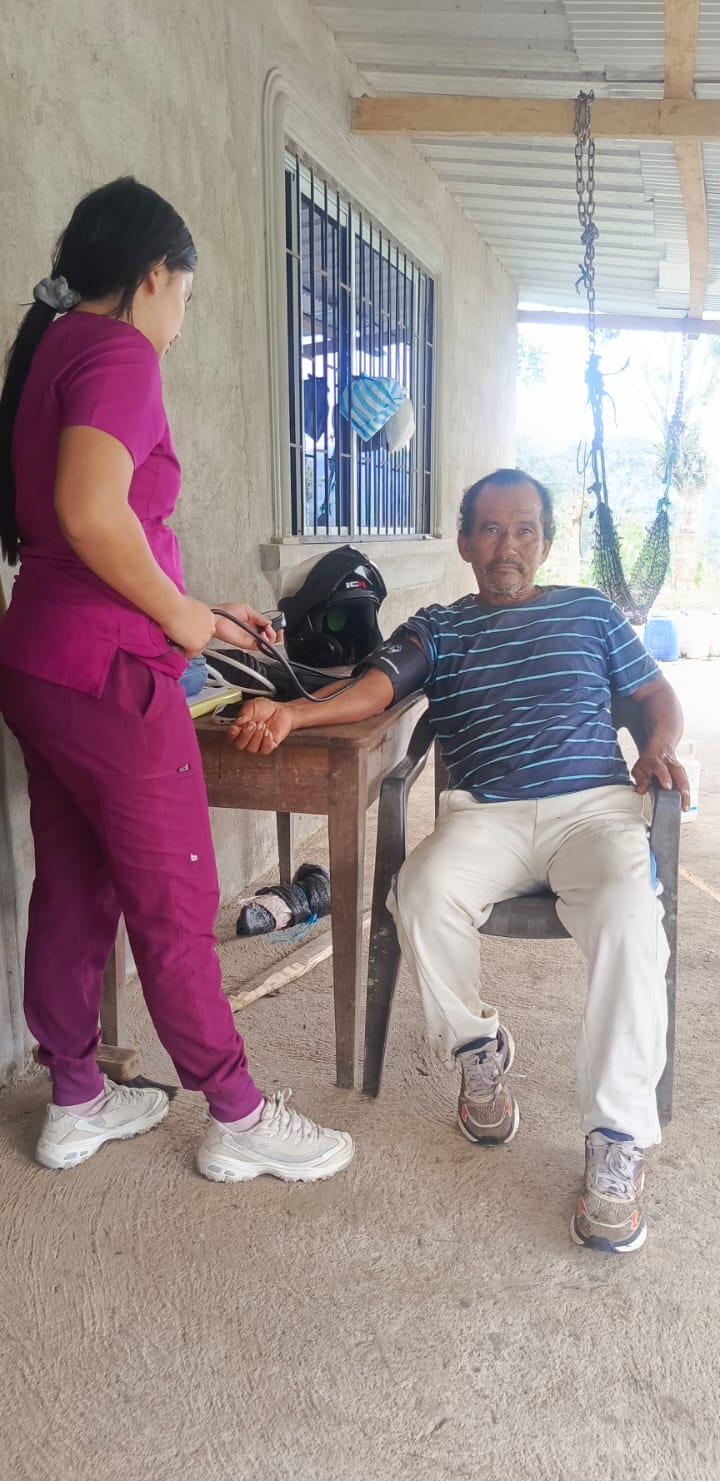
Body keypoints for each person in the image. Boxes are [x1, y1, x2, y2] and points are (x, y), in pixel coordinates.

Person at [230, 468, 689, 1252]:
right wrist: (292, 711)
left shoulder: (591, 611)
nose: (508, 546)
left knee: (628, 913)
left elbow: (655, 696)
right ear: (465, 541)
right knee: (421, 888)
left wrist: (660, 744)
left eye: (524, 530)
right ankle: (479, 1051)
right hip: (487, 815)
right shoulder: (438, 626)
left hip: (594, 809)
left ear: (545, 542)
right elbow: (375, 690)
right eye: (491, 529)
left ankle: (616, 1137)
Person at [0, 176, 353, 1185]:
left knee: (75, 883)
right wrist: (182, 619)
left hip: (42, 660)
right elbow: (91, 513)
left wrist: (196, 606)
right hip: (111, 674)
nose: (182, 321)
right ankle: (235, 1113)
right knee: (174, 893)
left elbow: (85, 534)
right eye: (186, 296)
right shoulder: (119, 351)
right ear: (155, 274)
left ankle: (75, 1096)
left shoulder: (52, 349)